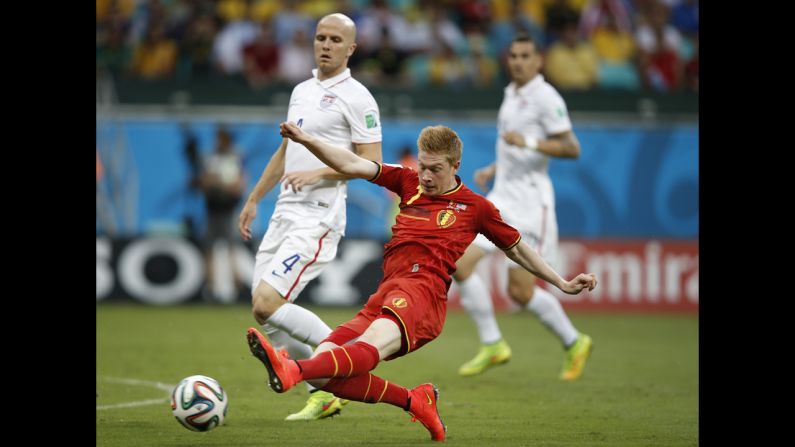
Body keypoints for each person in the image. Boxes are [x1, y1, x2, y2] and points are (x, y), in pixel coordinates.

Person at [246, 123, 597, 441]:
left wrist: (561, 282)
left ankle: (292, 369)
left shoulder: (476, 208)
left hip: (423, 296)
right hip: (387, 290)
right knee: (325, 373)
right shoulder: (407, 181)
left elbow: (518, 249)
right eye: (423, 165)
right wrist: (308, 139)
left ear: (455, 166)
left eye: (435, 169)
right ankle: (415, 401)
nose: (426, 176)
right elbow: (352, 164)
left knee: (360, 352)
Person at [237, 13, 383, 421]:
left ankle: (346, 360)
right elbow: (286, 152)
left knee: (268, 302)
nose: (326, 45)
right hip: (284, 211)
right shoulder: (301, 90)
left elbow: (371, 164)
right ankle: (324, 390)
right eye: (321, 37)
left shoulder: (358, 97)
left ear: (351, 48)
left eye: (336, 39)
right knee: (263, 311)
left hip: (319, 217)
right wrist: (253, 198)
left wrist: (319, 172)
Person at [452, 34, 593, 381]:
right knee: (457, 262)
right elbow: (514, 148)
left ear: (538, 61)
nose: (517, 61)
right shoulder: (511, 94)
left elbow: (572, 148)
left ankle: (574, 341)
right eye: (513, 55)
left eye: (525, 56)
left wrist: (528, 141)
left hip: (532, 205)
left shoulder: (546, 98)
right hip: (502, 198)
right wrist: (495, 168)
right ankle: (492, 344)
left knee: (520, 292)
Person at [199, 126, 245, 302]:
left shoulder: (234, 158)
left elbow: (237, 186)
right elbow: (204, 181)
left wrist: (216, 183)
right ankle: (209, 287)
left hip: (228, 210)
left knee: (232, 247)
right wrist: (222, 184)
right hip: (212, 209)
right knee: (210, 249)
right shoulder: (210, 157)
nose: (217, 142)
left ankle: (237, 286)